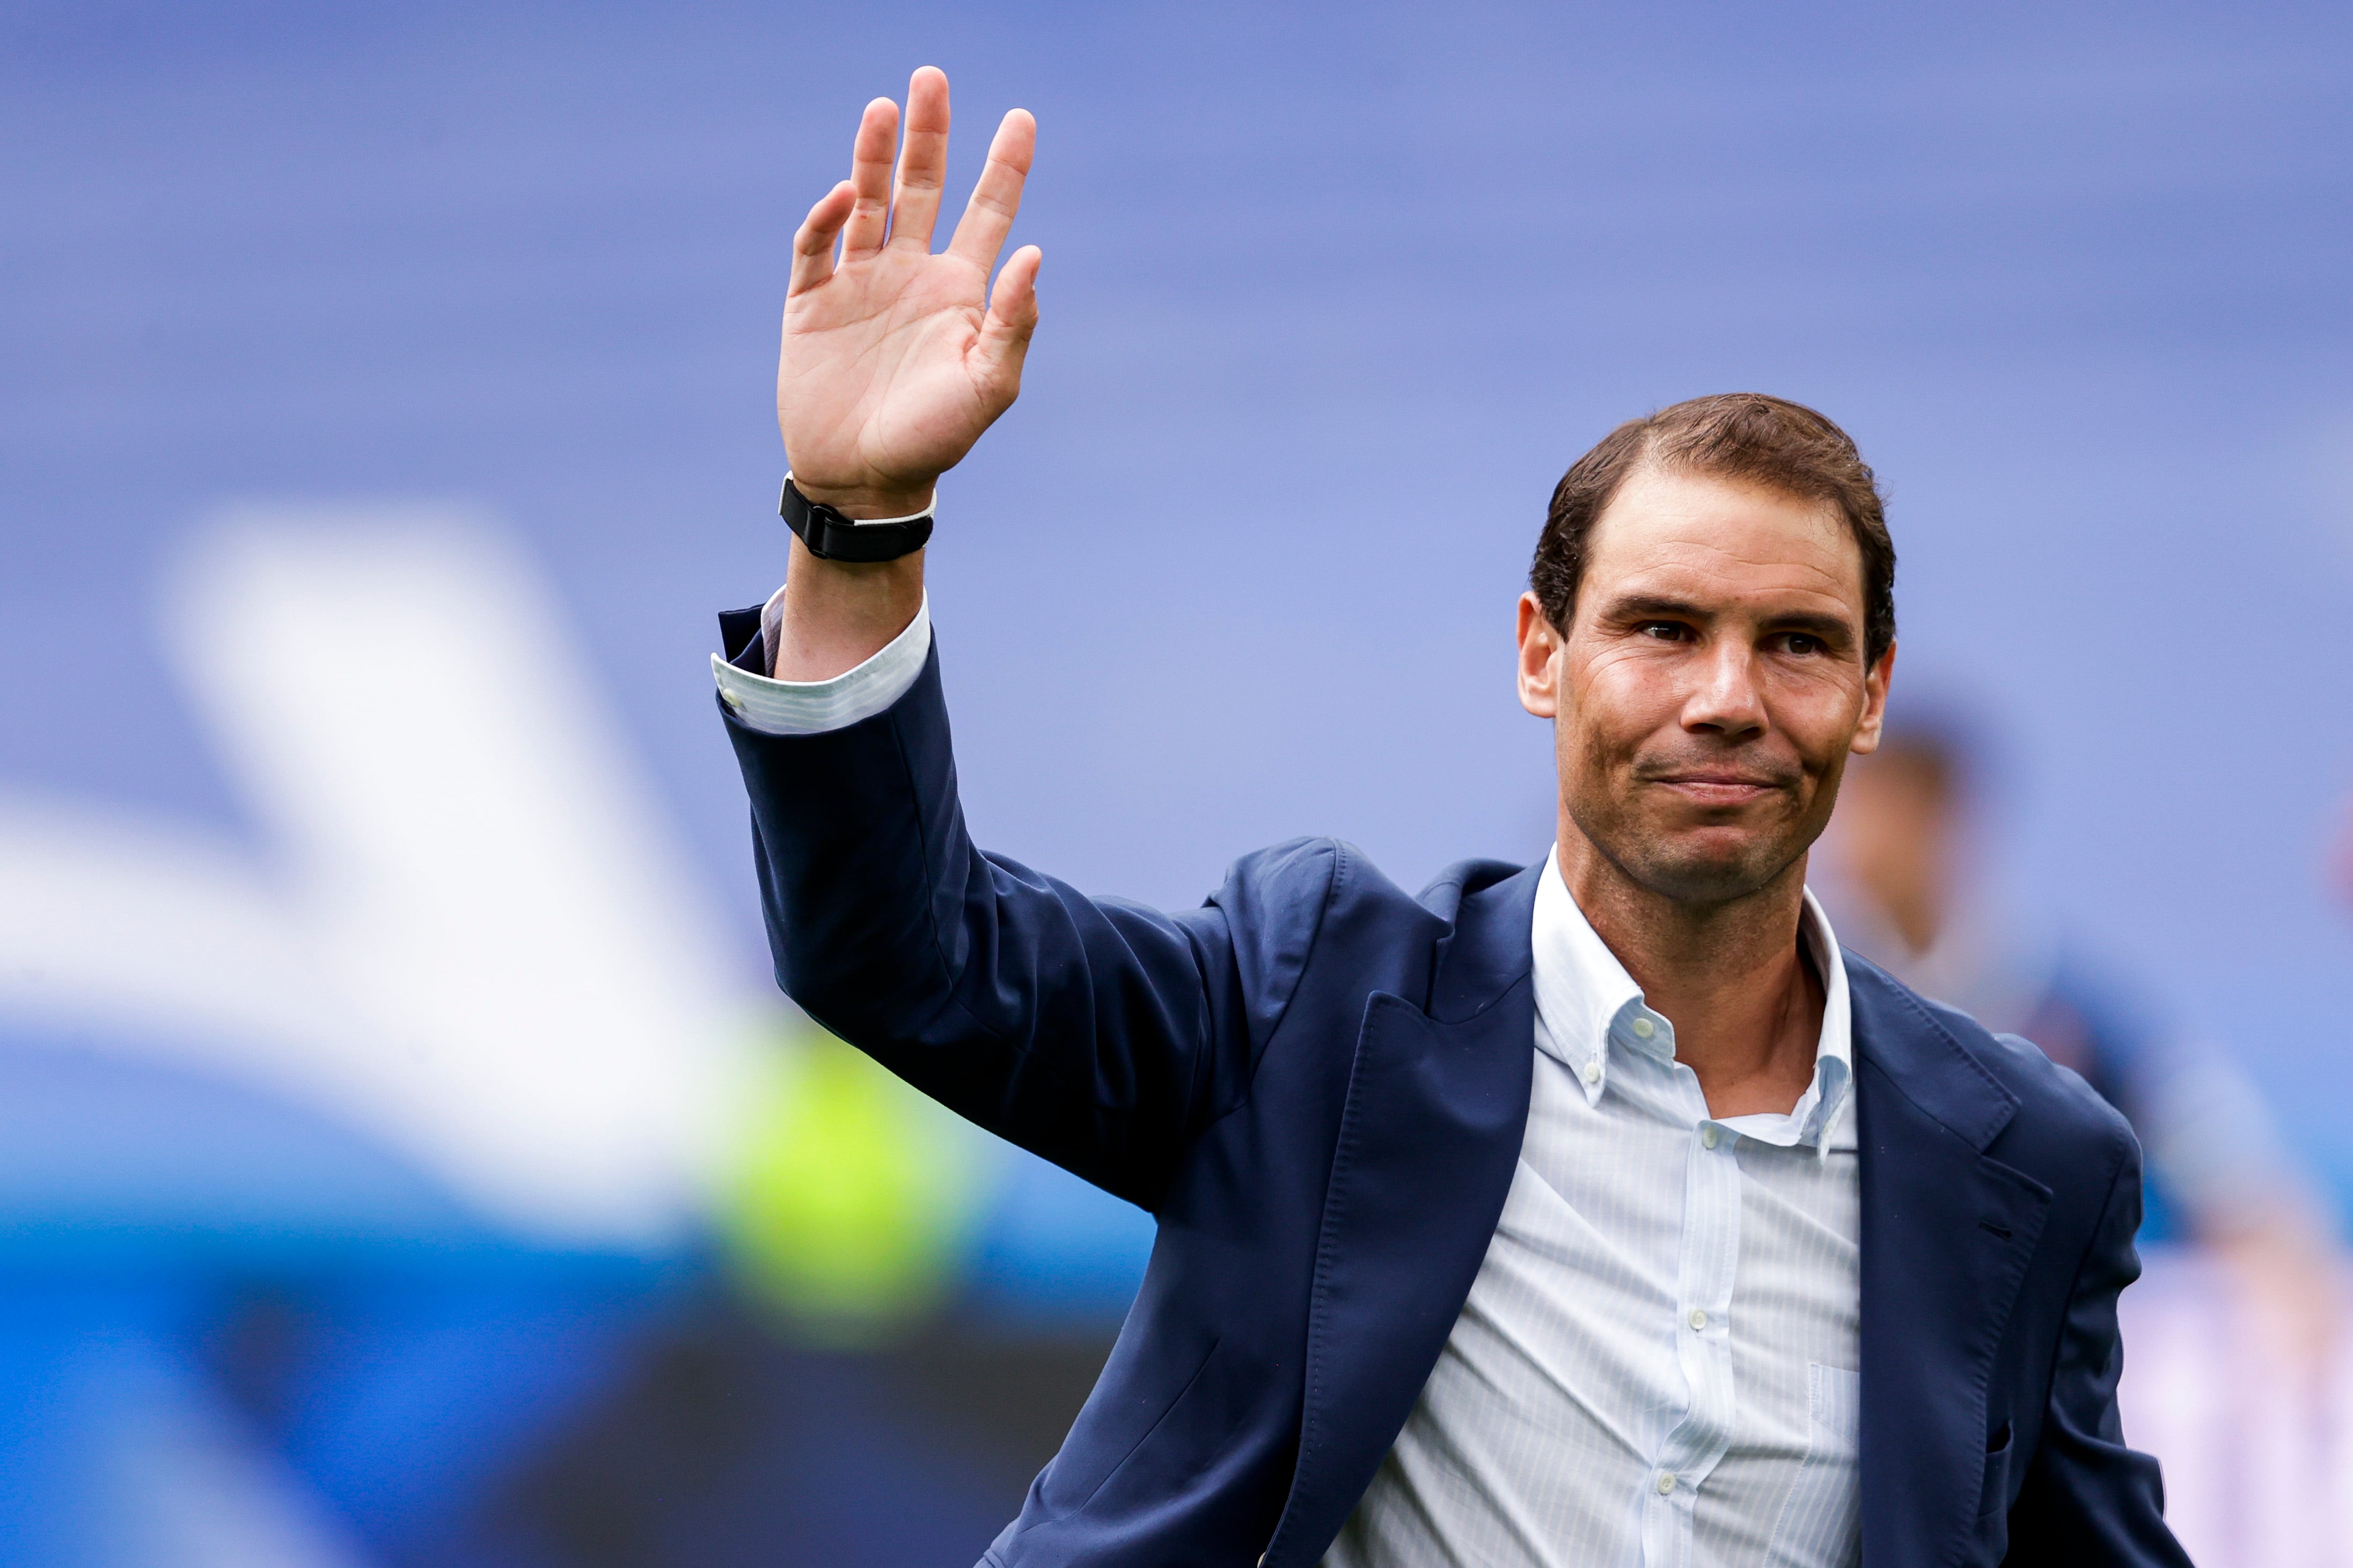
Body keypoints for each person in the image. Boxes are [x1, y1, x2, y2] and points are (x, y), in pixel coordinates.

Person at [708, 67, 2190, 1568]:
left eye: (1797, 642)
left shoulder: (2030, 1162)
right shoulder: (1316, 1000)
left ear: (1870, 695)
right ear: (1543, 656)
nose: (1729, 696)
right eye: (1663, 628)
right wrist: (855, 527)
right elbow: (902, 952)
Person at [1822, 714, 2343, 1370]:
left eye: (1872, 813)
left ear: (1939, 819)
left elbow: (2207, 1135)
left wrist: (2278, 1256)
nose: (1848, 843)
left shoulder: (2058, 1000)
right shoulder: (1827, 991)